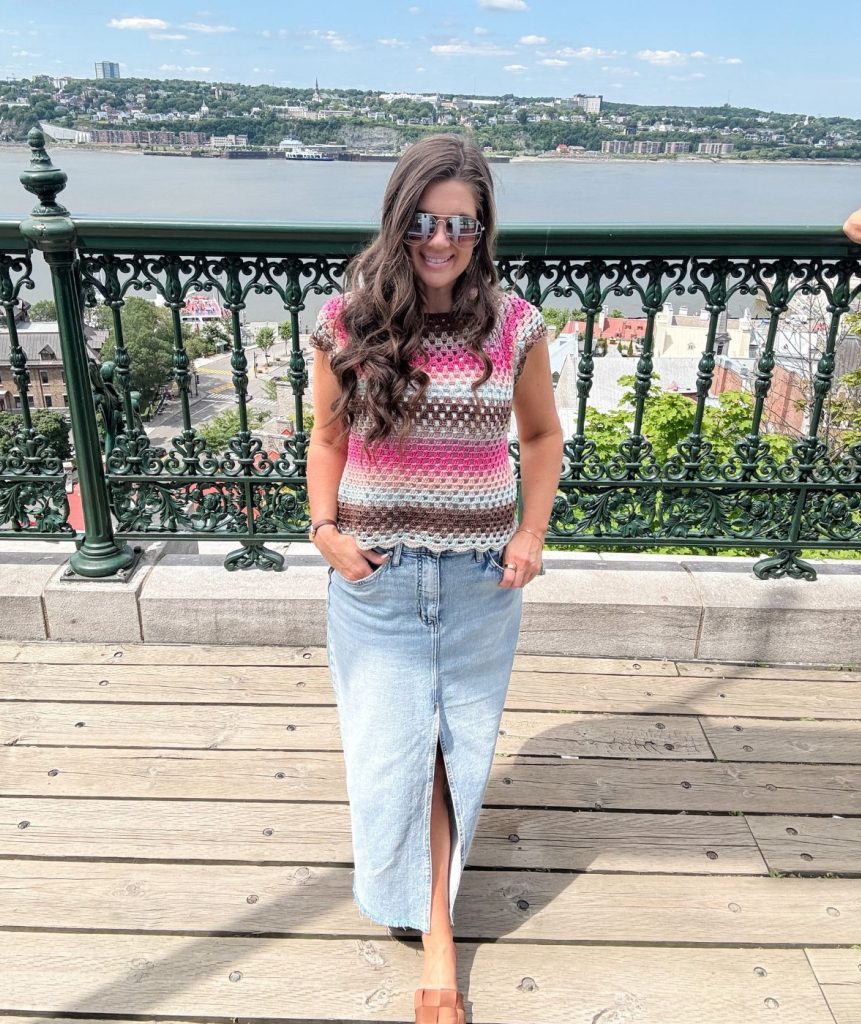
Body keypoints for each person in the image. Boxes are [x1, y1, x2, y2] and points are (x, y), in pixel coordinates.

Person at [306, 134, 563, 1024]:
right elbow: (328, 441)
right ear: (398, 219)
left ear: (483, 226)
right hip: (377, 580)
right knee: (392, 760)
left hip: (481, 583)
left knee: (457, 756)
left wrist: (531, 534)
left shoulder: (517, 324)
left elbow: (540, 439)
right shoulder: (345, 323)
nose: (441, 240)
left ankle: (439, 943)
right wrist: (326, 532)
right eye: (423, 220)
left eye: (460, 222)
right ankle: (416, 906)